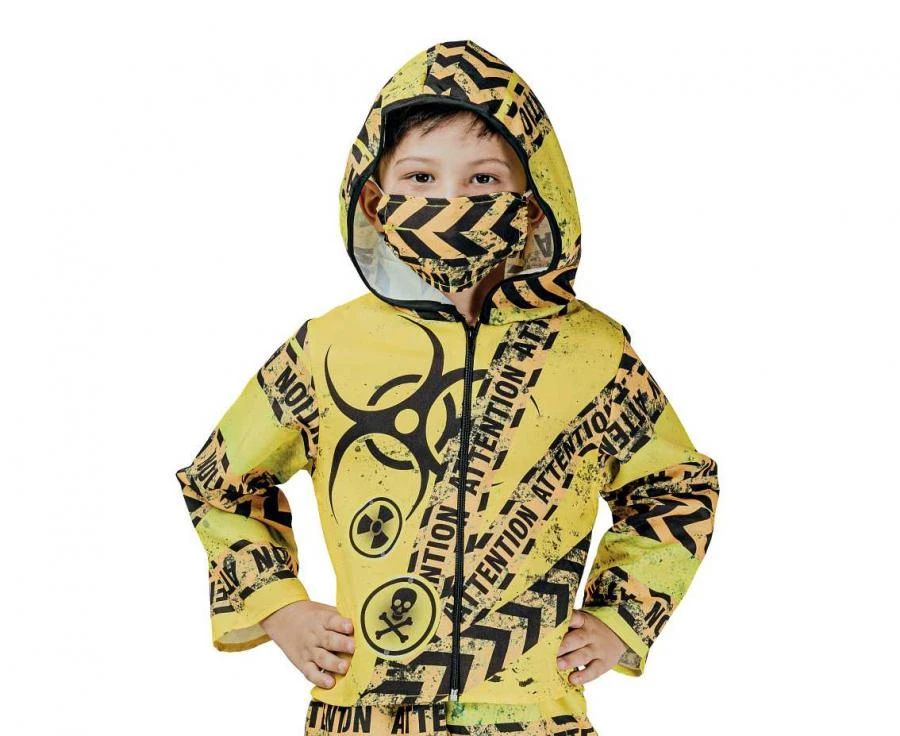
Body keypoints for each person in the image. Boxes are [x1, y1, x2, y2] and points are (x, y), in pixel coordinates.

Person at [176, 39, 720, 736]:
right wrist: (278, 605)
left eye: (484, 179)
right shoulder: (327, 350)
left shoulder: (594, 353)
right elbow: (218, 484)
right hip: (365, 712)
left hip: (534, 714)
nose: (451, 201)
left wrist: (622, 615)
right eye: (421, 177)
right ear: (374, 199)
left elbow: (675, 488)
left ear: (532, 202)